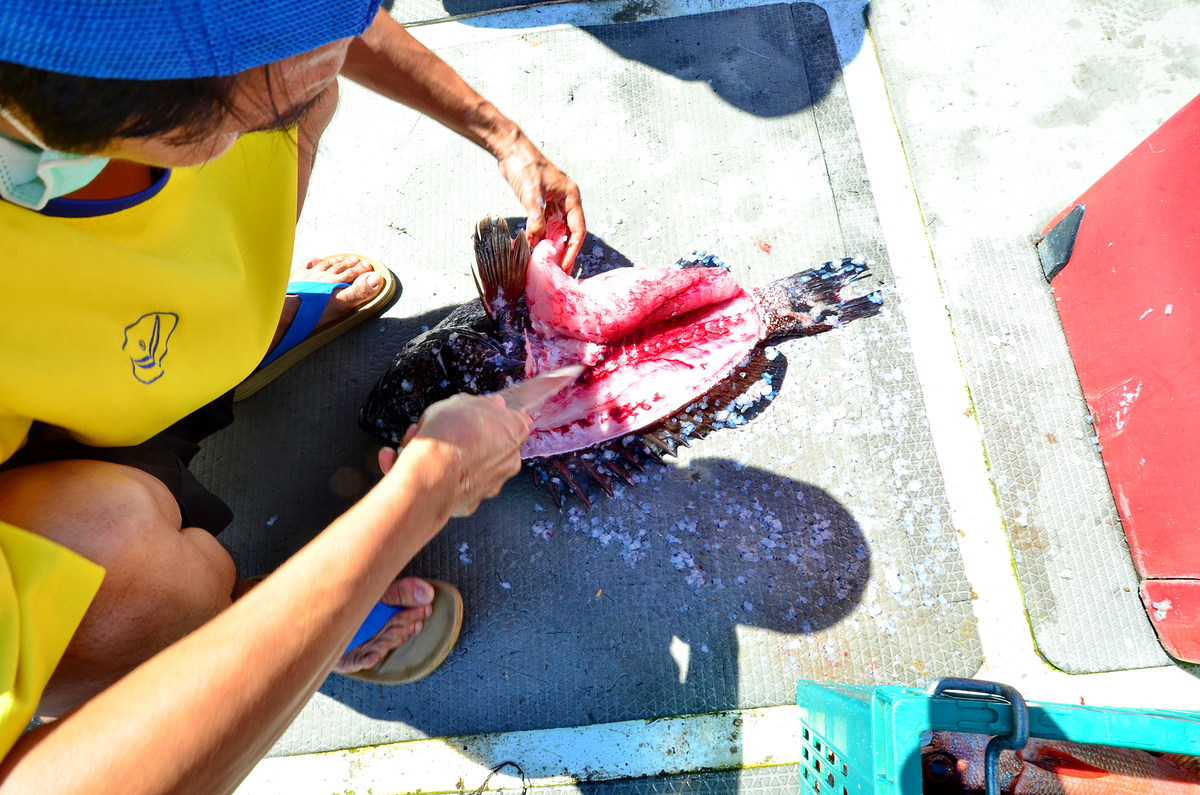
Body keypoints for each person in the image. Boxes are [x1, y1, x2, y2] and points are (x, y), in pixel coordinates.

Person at [0, 0, 585, 791]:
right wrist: (419, 495)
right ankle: (262, 616)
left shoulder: (195, 67)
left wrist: (502, 137)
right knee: (123, 566)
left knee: (299, 86)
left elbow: (321, 28)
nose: (338, 51)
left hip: (146, 328)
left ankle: (239, 319)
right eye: (263, 108)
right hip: (53, 449)